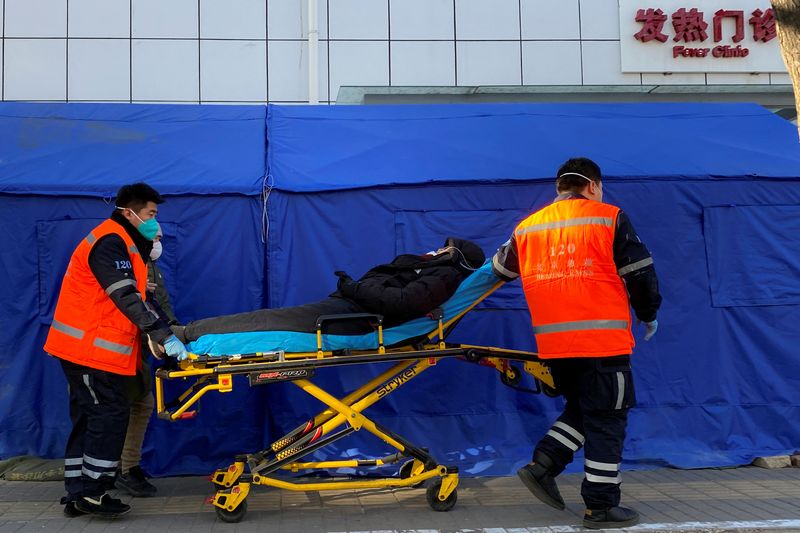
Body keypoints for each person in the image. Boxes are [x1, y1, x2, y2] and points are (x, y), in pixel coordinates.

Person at [491, 158, 661, 529]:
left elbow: (500, 269)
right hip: (602, 343)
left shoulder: (528, 227)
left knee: (584, 411)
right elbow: (641, 274)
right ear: (594, 186)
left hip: (554, 348)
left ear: (559, 188)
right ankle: (600, 507)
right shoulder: (608, 217)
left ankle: (543, 466)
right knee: (607, 420)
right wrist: (649, 313)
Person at [44, 183, 189, 518]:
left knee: (89, 417)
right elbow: (125, 297)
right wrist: (162, 334)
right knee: (108, 415)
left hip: (84, 348)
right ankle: (94, 492)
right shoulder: (111, 242)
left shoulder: (122, 243)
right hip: (89, 350)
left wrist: (162, 330)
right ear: (130, 212)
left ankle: (78, 492)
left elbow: (137, 295)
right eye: (151, 214)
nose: (155, 221)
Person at [174, 237, 485, 343]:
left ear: (453, 258)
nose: (436, 249)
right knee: (267, 317)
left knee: (267, 321)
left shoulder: (443, 276)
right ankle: (190, 331)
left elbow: (403, 302)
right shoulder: (432, 271)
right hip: (353, 310)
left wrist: (354, 288)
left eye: (444, 248)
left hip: (358, 318)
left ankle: (188, 333)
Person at [115, 224, 179, 498]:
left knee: (136, 405)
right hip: (121, 347)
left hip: (137, 345)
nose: (159, 242)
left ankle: (123, 468)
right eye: (156, 238)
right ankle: (125, 470)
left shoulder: (149, 265)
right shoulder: (128, 263)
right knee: (134, 405)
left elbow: (160, 306)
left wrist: (173, 331)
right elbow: (133, 304)